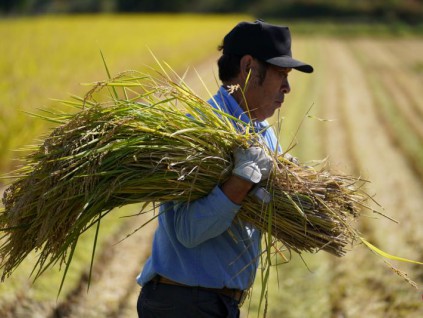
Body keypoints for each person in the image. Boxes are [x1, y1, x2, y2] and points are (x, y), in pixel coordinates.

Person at [136, 20, 313, 318]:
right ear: (248, 68)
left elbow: (270, 198)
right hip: (182, 303)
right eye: (281, 74)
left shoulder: (263, 132)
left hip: (216, 303)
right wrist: (242, 180)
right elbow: (188, 231)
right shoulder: (200, 131)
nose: (288, 87)